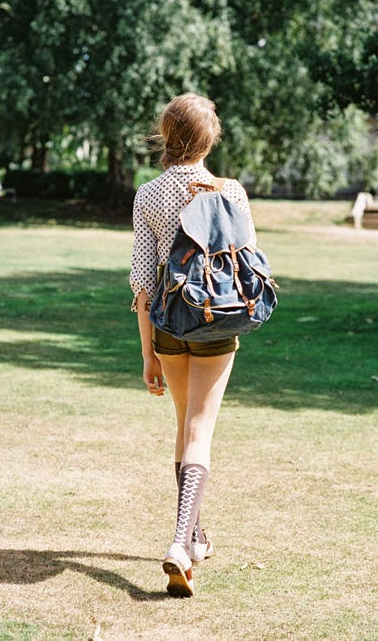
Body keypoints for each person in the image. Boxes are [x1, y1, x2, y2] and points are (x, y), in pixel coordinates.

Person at [130, 93, 257, 598]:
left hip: (168, 322)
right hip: (217, 322)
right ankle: (183, 542)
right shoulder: (231, 191)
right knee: (200, 429)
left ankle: (194, 537)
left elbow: (142, 281)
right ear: (211, 139)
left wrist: (146, 354)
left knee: (185, 427)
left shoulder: (149, 194)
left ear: (167, 135)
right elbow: (246, 263)